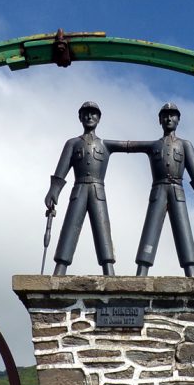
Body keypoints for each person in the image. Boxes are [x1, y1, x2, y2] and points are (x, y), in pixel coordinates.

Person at [123, 103, 194, 276]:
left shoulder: (185, 145)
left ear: (178, 119)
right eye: (165, 116)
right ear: (160, 120)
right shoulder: (154, 145)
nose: (169, 119)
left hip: (177, 191)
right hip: (158, 191)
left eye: (172, 115)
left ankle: (190, 270)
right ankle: (142, 270)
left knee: (182, 228)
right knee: (151, 227)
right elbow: (127, 145)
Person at [44, 101, 123, 275]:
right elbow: (61, 170)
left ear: (99, 118)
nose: (89, 117)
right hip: (78, 189)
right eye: (86, 113)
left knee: (102, 228)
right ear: (80, 117)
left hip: (97, 191)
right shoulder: (72, 143)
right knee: (70, 226)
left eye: (93, 113)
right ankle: (60, 267)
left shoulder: (105, 144)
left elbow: (131, 145)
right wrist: (54, 190)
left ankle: (108, 269)